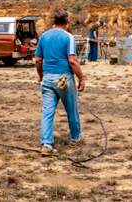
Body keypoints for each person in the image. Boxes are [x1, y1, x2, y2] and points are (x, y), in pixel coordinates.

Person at [35, 9, 86, 156]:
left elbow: (38, 60)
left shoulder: (43, 37)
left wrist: (41, 76)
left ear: (53, 21)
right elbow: (72, 60)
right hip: (63, 78)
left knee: (47, 111)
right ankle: (75, 136)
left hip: (48, 78)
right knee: (71, 108)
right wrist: (81, 78)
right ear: (67, 21)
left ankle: (46, 144)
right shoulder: (68, 37)